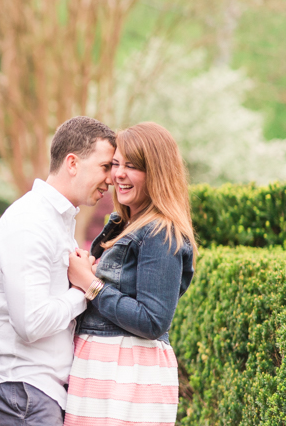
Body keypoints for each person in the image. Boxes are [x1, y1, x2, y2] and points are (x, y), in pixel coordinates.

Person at [0, 116, 116, 426]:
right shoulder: (31, 222)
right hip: (20, 390)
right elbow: (31, 323)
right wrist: (82, 291)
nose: (112, 179)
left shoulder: (56, 221)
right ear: (73, 163)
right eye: (105, 167)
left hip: (33, 392)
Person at [65, 122, 197, 426]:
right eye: (115, 164)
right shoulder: (124, 225)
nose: (118, 175)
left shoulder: (159, 233)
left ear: (158, 173)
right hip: (103, 371)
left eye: (132, 166)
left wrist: (90, 283)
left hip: (127, 374)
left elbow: (153, 320)